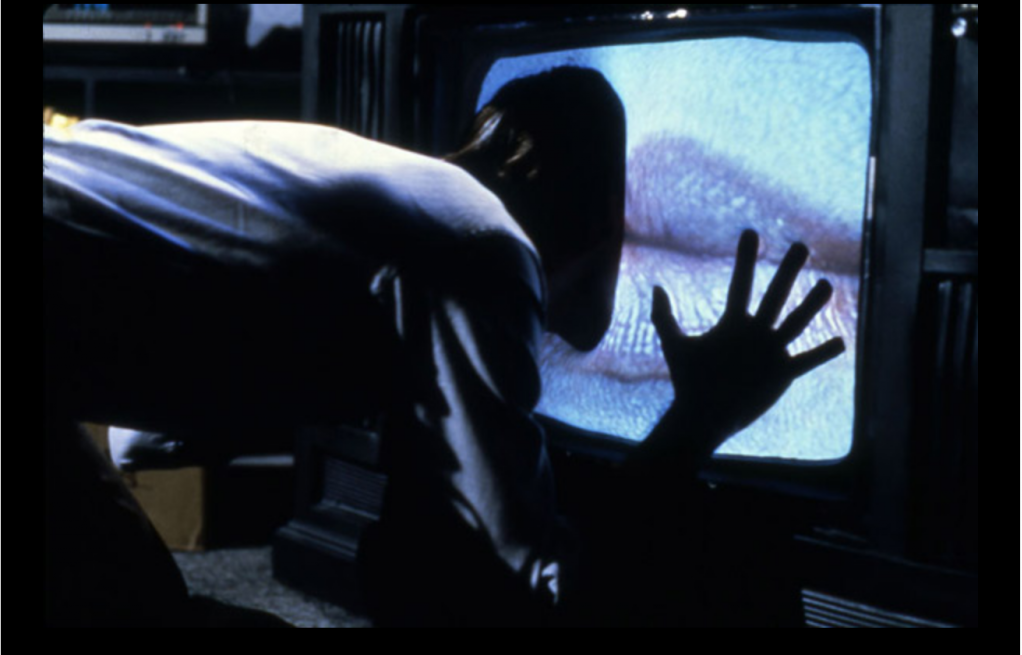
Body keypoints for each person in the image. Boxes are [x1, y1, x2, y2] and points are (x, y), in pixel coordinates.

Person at [44, 66, 842, 627]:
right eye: (635, 224)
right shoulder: (476, 240)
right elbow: (505, 588)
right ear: (603, 211)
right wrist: (695, 423)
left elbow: (140, 437)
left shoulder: (400, 198)